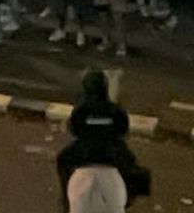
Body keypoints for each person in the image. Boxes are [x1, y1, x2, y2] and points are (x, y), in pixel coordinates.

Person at [56, 71, 140, 213]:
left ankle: (65, 198)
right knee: (132, 165)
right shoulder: (114, 109)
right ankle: (129, 197)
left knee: (62, 160)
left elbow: (75, 129)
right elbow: (123, 129)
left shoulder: (81, 110)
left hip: (85, 150)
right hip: (111, 149)